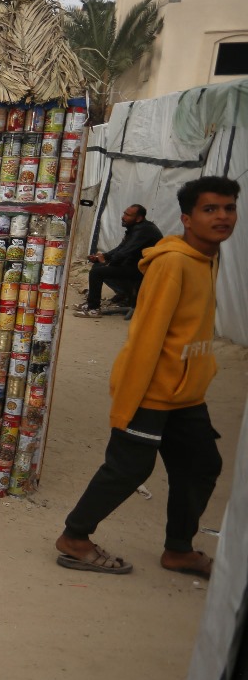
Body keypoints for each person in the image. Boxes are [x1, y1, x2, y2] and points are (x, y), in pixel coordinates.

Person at [56, 175, 240, 577]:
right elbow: (145, 337)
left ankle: (178, 549)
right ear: (188, 219)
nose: (222, 217)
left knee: (201, 465)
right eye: (210, 209)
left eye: (229, 208)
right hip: (152, 391)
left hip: (187, 394)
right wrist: (128, 402)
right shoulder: (172, 263)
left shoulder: (209, 258)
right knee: (129, 468)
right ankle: (75, 537)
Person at [76, 203, 162, 317]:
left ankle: (93, 309)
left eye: (128, 215)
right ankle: (123, 296)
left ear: (139, 218)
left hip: (143, 270)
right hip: (133, 266)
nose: (123, 217)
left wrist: (107, 263)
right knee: (98, 267)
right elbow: (121, 248)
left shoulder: (144, 230)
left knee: (97, 272)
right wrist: (102, 257)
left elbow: (125, 252)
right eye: (124, 214)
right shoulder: (136, 228)